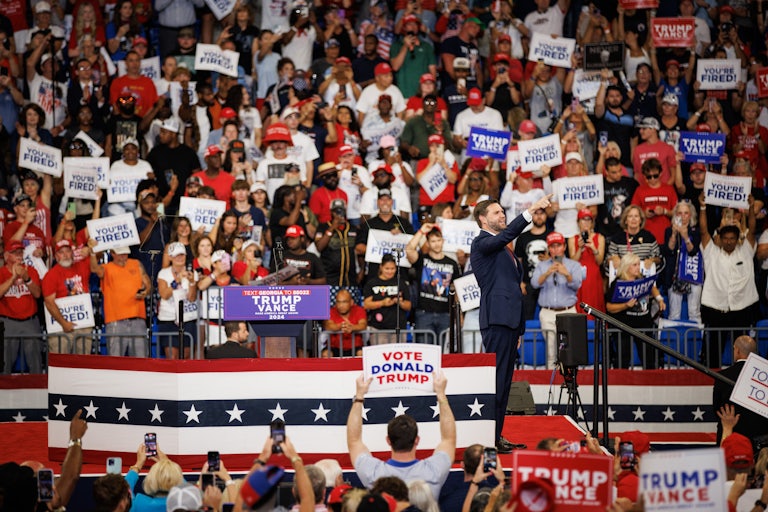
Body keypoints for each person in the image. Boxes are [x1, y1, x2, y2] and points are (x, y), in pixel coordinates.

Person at [470, 194, 551, 452]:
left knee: (504, 383)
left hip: (509, 323)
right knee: (496, 381)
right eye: (496, 213)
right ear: (482, 219)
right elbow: (506, 236)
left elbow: (515, 288)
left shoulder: (504, 249)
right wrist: (532, 209)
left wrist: (520, 329)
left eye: (502, 211)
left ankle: (495, 436)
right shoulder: (482, 242)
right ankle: (487, 438)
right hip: (496, 320)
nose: (502, 215)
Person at [347, 371, 455, 500]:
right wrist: (441, 395)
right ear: (417, 440)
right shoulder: (434, 472)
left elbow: (354, 441)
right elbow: (449, 439)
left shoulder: (374, 474)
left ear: (388, 440)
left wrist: (359, 396)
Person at [698, 194, 759, 368]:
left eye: (732, 238)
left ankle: (742, 382)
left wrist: (751, 209)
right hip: (716, 309)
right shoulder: (712, 253)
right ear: (721, 238)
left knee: (743, 353)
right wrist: (702, 207)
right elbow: (703, 231)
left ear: (737, 239)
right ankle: (713, 382)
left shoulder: (746, 251)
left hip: (742, 308)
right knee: (713, 352)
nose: (729, 241)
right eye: (725, 238)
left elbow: (752, 230)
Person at [531, 232, 584, 369]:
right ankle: (552, 384)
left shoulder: (573, 265)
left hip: (568, 311)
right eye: (552, 247)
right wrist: (547, 273)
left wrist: (566, 274)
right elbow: (534, 283)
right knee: (551, 351)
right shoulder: (542, 266)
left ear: (564, 247)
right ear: (549, 249)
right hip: (548, 312)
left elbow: (577, 285)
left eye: (558, 246)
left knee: (569, 351)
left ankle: (569, 383)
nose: (555, 249)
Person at [89, 244, 152, 357]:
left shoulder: (136, 263)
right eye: (120, 254)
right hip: (115, 321)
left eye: (125, 253)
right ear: (112, 254)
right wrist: (93, 253)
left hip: (138, 319)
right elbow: (94, 269)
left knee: (141, 361)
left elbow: (147, 282)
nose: (124, 256)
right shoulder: (107, 268)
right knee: (116, 361)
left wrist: (145, 291)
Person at [605, 253, 666, 369]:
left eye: (638, 264)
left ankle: (649, 383)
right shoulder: (618, 283)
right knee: (623, 358)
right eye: (635, 265)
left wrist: (660, 299)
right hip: (624, 326)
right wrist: (625, 305)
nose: (638, 267)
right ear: (627, 266)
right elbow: (609, 307)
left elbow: (652, 287)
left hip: (643, 324)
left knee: (648, 358)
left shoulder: (642, 278)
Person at [405, 223, 460, 345]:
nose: (436, 243)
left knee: (443, 356)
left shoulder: (452, 263)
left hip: (445, 314)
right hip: (424, 314)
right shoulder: (422, 260)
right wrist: (421, 231)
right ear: (428, 244)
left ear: (443, 241)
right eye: (433, 241)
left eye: (438, 240)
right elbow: (409, 250)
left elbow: (457, 290)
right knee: (426, 354)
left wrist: (457, 314)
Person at [713, 336, 768, 445]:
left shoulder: (723, 376)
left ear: (737, 350)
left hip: (732, 437)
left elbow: (717, 409)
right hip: (763, 439)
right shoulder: (765, 375)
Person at [42, 239, 93, 355]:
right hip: (60, 327)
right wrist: (63, 323)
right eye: (61, 252)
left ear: (72, 253)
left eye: (68, 251)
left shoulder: (81, 266)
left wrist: (90, 249)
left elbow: (96, 261)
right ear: (56, 256)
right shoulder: (51, 275)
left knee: (84, 363)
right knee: (61, 364)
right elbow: (49, 302)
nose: (65, 255)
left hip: (83, 324)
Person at [0, 240, 42, 374]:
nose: (18, 255)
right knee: (5, 363)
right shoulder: (1, 273)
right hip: (8, 322)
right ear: (6, 256)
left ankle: (38, 393)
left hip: (30, 321)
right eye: (14, 253)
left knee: (35, 363)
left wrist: (26, 278)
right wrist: (13, 278)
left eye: (20, 252)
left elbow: (37, 293)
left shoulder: (31, 271)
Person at [662, 201, 702, 325]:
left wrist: (685, 237)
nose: (683, 216)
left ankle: (696, 342)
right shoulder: (669, 230)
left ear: (690, 215)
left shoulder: (695, 231)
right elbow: (669, 250)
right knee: (674, 313)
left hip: (692, 273)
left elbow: (693, 252)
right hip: (675, 275)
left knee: (694, 312)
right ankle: (672, 343)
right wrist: (674, 234)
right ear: (675, 215)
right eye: (679, 213)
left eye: (686, 213)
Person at [156, 242, 198, 359]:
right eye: (176, 255)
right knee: (171, 357)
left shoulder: (192, 273)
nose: (179, 258)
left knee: (186, 356)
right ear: (170, 257)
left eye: (182, 255)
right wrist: (177, 280)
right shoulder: (163, 273)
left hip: (187, 318)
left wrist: (192, 282)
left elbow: (192, 297)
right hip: (168, 318)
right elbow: (164, 294)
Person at [362, 253, 411, 345]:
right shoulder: (372, 283)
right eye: (387, 269)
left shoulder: (401, 283)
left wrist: (400, 302)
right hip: (378, 328)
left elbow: (408, 306)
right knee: (378, 357)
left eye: (393, 269)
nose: (390, 271)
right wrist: (382, 303)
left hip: (398, 328)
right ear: (381, 267)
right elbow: (366, 304)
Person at [568, 209, 605, 317]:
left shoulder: (599, 237)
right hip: (578, 278)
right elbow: (572, 262)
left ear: (592, 222)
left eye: (589, 220)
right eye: (583, 220)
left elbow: (600, 261)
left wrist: (593, 248)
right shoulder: (572, 239)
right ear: (578, 222)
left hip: (594, 278)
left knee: (594, 306)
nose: (586, 223)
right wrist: (580, 248)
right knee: (579, 307)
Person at [322, 289, 367, 357]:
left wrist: (352, 327)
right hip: (334, 347)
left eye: (344, 302)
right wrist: (341, 326)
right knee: (326, 354)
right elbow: (329, 326)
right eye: (338, 302)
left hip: (355, 347)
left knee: (361, 353)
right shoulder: (331, 311)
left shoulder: (359, 310)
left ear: (351, 302)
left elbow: (363, 325)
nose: (341, 305)